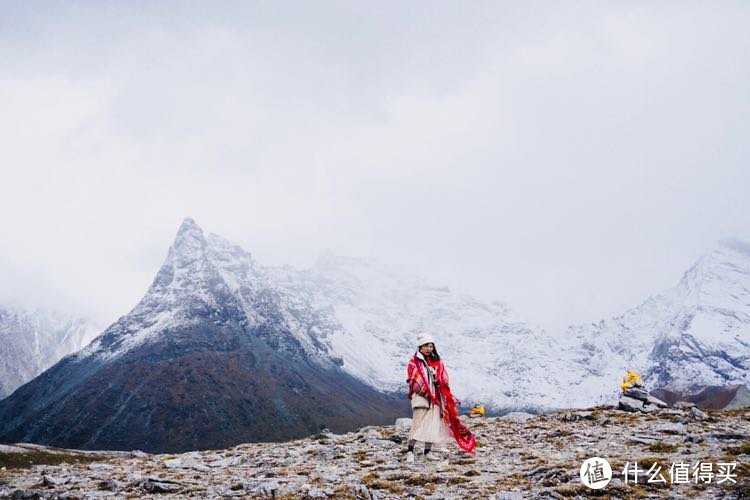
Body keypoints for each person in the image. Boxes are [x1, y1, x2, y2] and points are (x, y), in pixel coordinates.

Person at [405, 332, 476, 463]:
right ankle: (410, 451)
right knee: (417, 425)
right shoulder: (414, 362)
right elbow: (413, 381)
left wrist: (439, 382)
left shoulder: (436, 363)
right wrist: (428, 390)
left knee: (432, 425)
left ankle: (427, 452)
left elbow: (443, 378)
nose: (429, 349)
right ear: (420, 347)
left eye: (431, 346)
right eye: (426, 346)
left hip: (436, 399)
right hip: (422, 398)